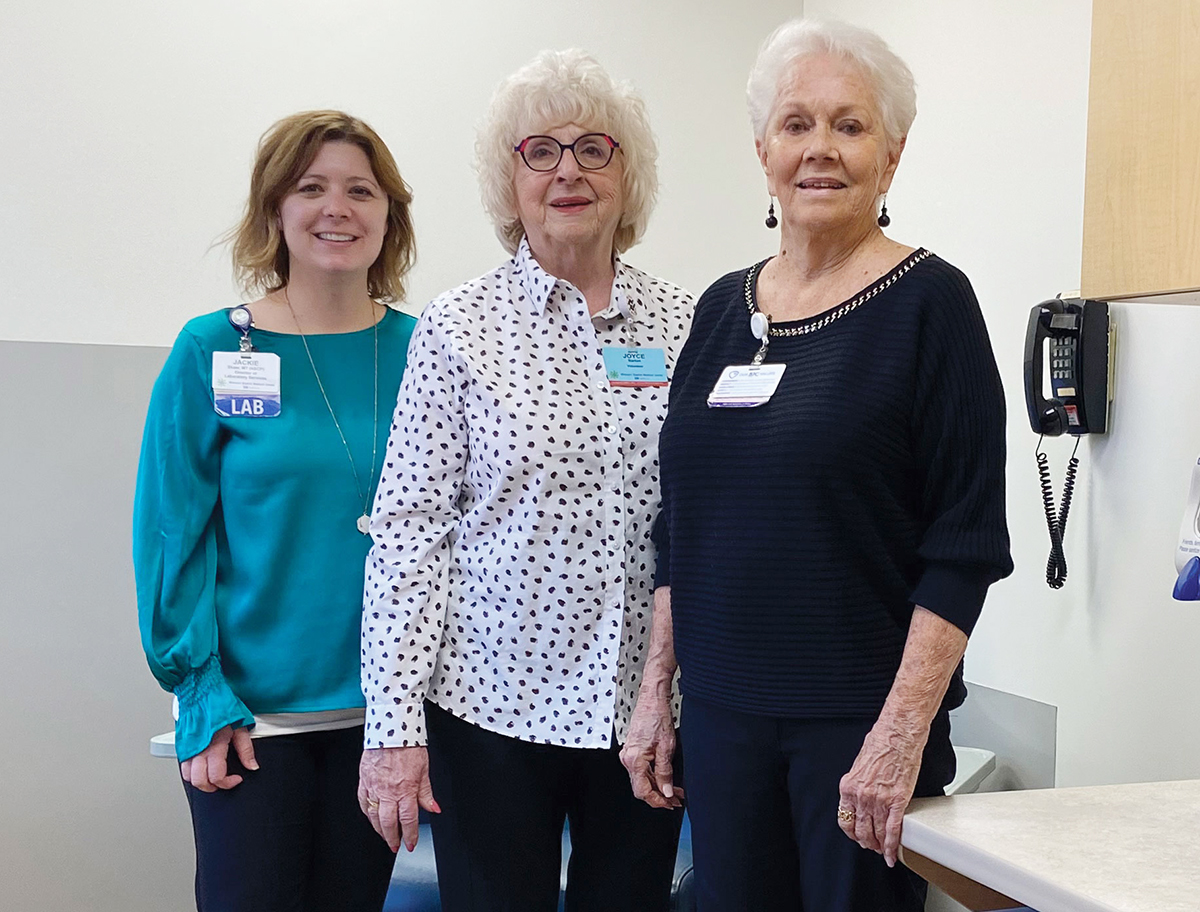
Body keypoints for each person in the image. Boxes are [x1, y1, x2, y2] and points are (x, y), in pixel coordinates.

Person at [620, 18, 1013, 912]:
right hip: (721, 726)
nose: (820, 150)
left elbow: (965, 547)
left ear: (893, 154)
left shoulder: (931, 305)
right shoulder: (722, 309)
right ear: (763, 151)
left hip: (857, 733)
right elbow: (678, 527)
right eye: (797, 125)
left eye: (851, 124)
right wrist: (657, 696)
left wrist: (901, 732)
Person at [358, 49, 694, 912]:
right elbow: (408, 532)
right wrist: (393, 727)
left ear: (630, 175)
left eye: (595, 148)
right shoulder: (458, 327)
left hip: (645, 711)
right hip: (492, 707)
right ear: (509, 182)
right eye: (539, 151)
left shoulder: (689, 323)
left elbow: (703, 520)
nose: (568, 171)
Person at [133, 110, 418, 912]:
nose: (339, 208)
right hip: (252, 726)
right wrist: (199, 692)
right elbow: (171, 536)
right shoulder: (211, 349)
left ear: (389, 214)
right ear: (274, 211)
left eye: (362, 190)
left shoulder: (426, 351)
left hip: (384, 723)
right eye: (312, 187)